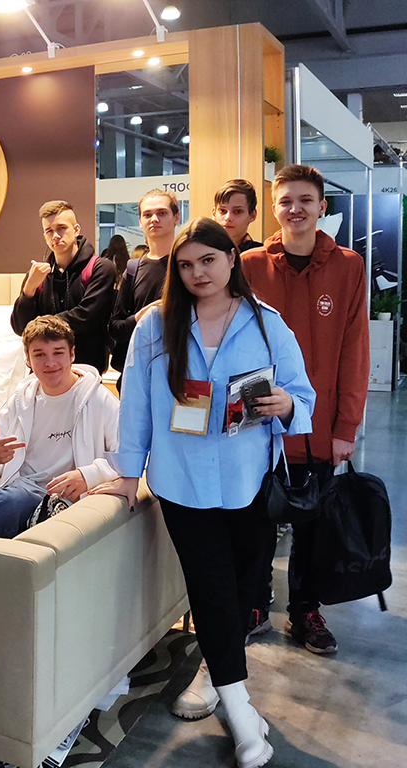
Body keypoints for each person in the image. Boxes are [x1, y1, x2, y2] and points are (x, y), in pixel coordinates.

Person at [92, 218, 314, 768]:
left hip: (249, 480)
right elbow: (136, 404)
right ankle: (241, 712)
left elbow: (302, 394)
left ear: (231, 259)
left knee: (242, 589)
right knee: (210, 587)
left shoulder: (267, 324)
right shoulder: (155, 326)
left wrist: (286, 404)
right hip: (182, 481)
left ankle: (216, 674)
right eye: (186, 264)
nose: (197, 273)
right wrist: (128, 474)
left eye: (208, 260)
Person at [241, 164, 369, 653]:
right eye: (285, 201)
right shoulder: (249, 265)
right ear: (274, 209)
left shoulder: (348, 266)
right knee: (256, 521)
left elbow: (355, 350)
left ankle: (305, 610)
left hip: (320, 424)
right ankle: (255, 604)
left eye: (305, 200)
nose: (295, 209)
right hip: (258, 425)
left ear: (321, 207)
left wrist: (346, 426)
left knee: (313, 524)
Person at [0, 316, 119, 538]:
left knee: (9, 501)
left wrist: (88, 475)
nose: (50, 363)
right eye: (39, 355)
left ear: (72, 354)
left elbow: (129, 455)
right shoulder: (20, 399)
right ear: (27, 359)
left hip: (43, 493)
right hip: (2, 483)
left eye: (58, 353)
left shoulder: (99, 400)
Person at [10, 201, 116, 372]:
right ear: (44, 236)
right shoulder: (37, 275)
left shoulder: (101, 268)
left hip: (85, 369)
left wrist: (38, 326)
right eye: (49, 231)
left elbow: (86, 317)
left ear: (76, 230)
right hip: (44, 370)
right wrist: (28, 290)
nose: (55, 236)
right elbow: (20, 327)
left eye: (61, 228)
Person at [109, 189, 182, 375]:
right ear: (140, 221)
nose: (154, 219)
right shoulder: (133, 269)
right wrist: (139, 318)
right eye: (148, 215)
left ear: (176, 217)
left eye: (162, 213)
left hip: (180, 368)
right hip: (139, 370)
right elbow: (116, 328)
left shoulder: (187, 265)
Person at [213, 179, 262, 252]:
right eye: (222, 211)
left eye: (238, 211)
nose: (228, 218)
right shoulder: (202, 251)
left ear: (252, 215)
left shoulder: (262, 254)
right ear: (214, 214)